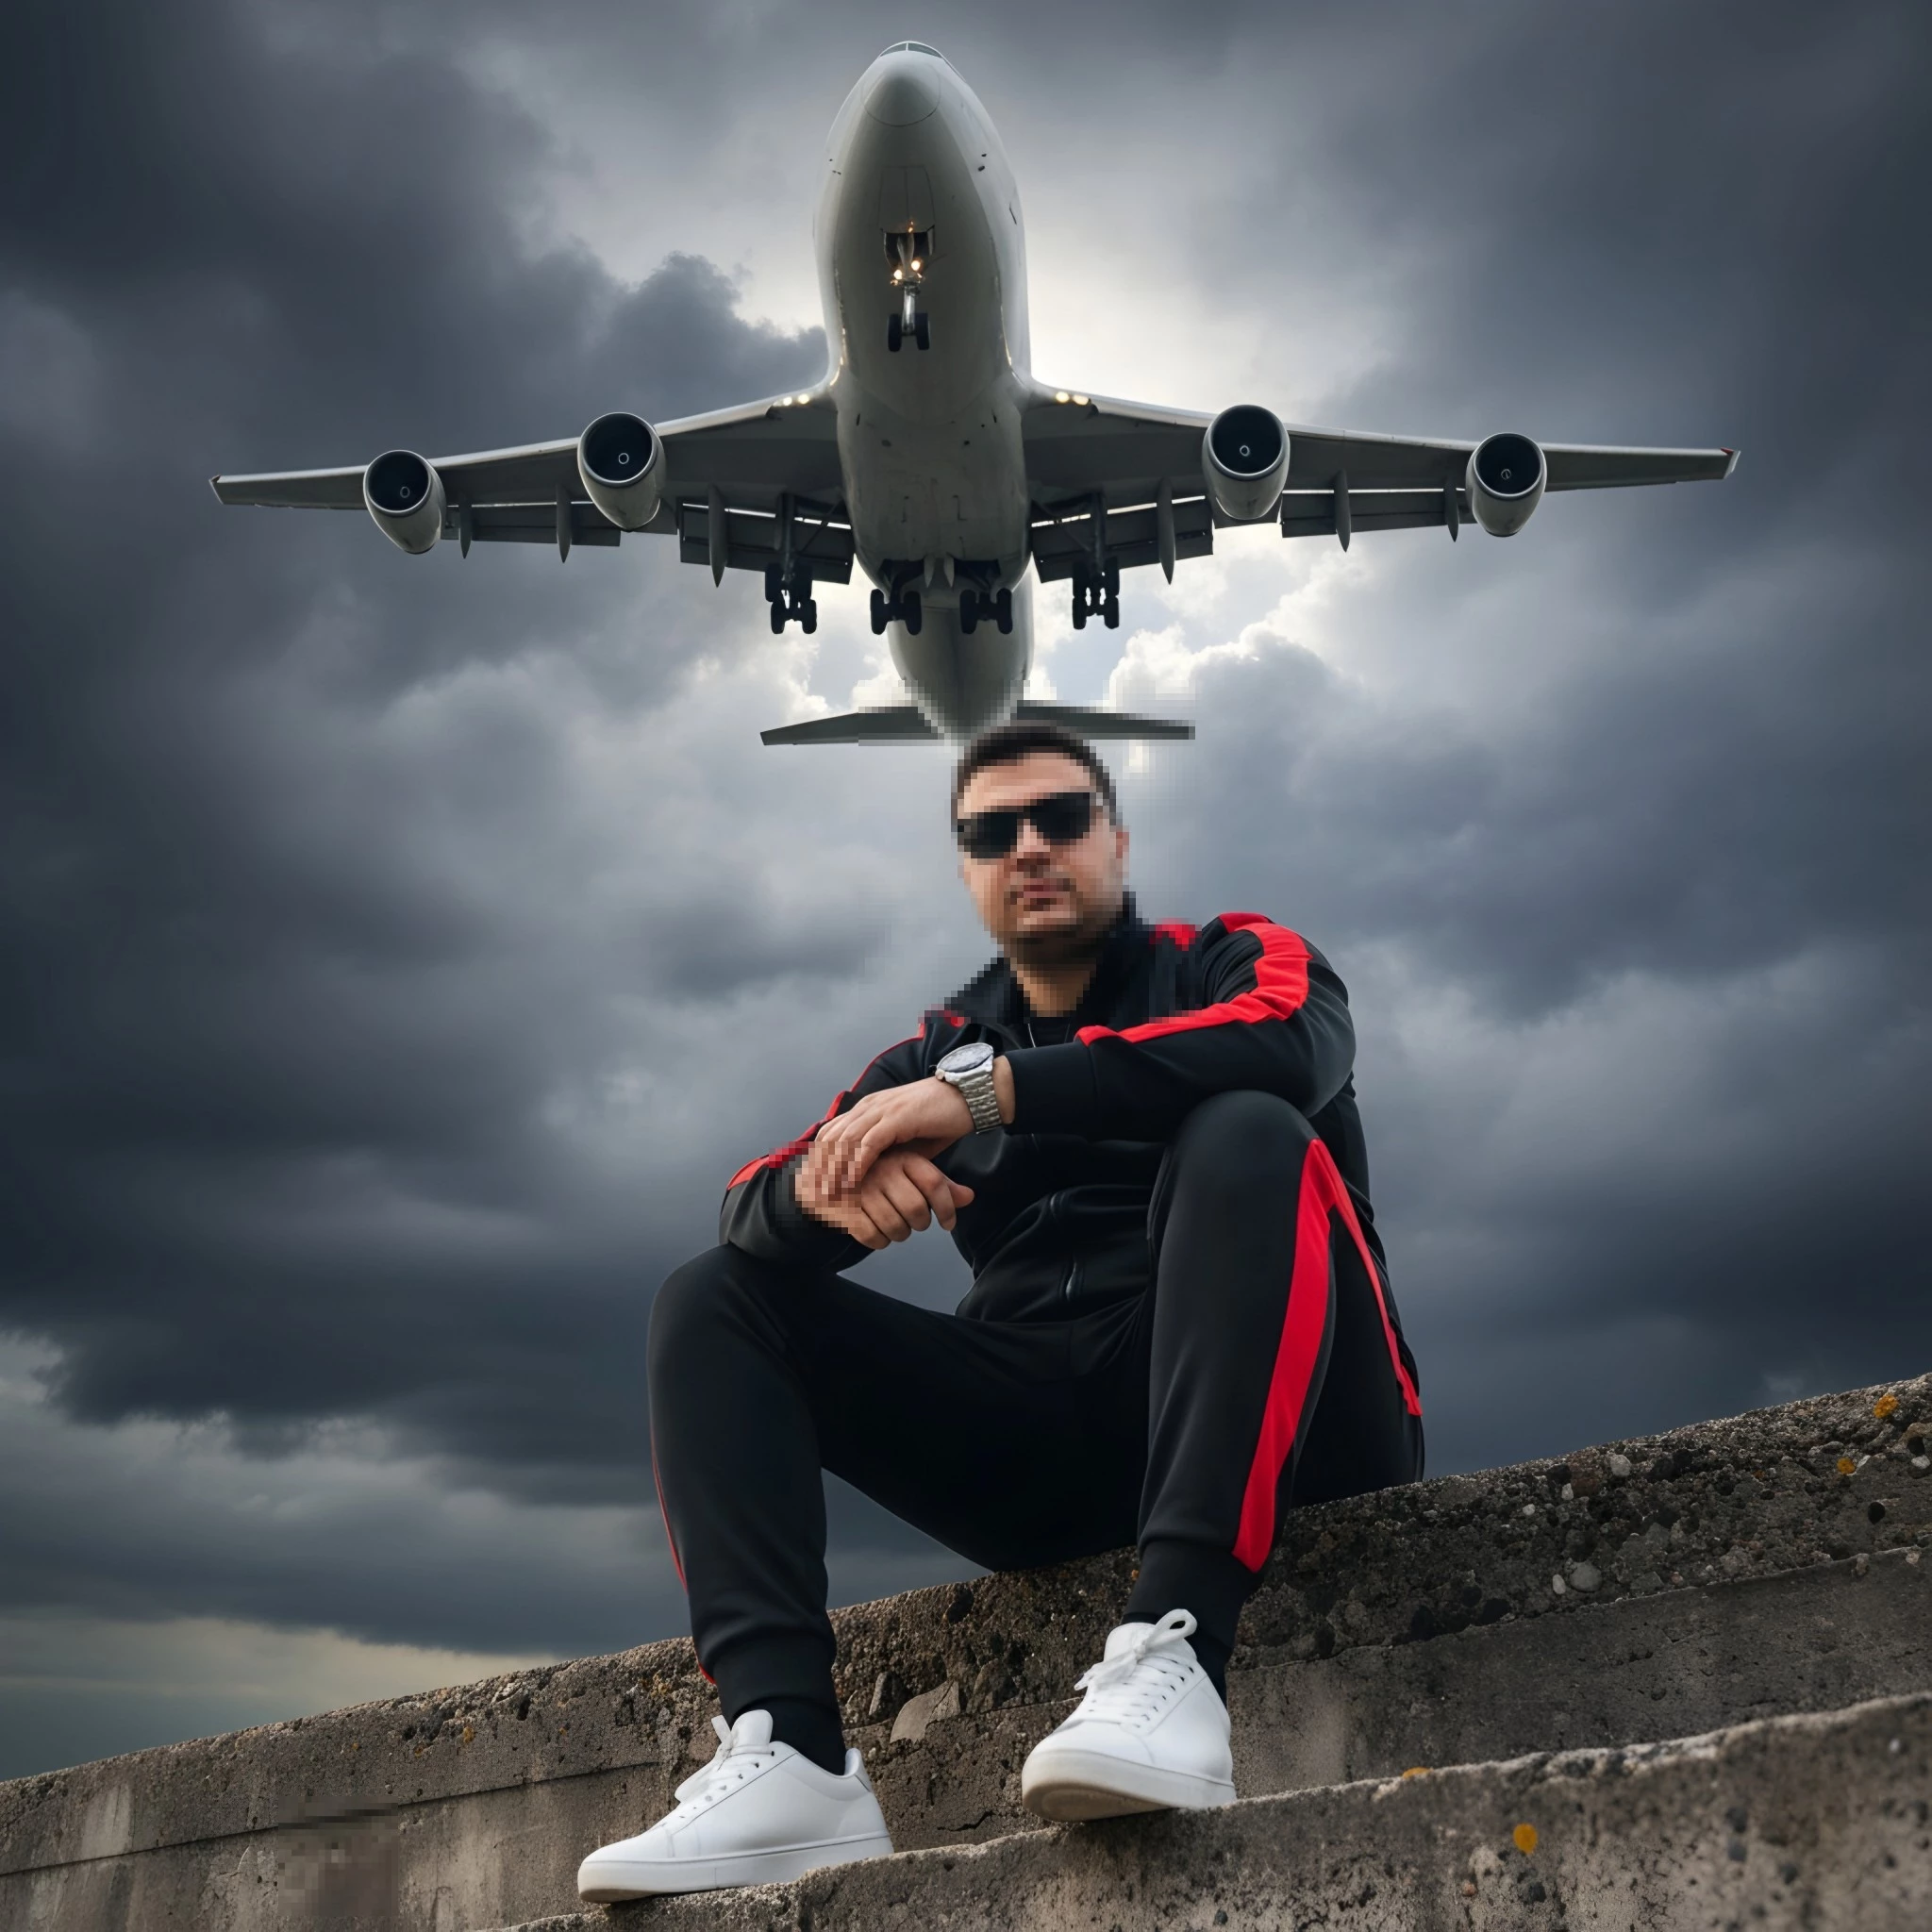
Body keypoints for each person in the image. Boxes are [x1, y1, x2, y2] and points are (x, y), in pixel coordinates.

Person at [577, 721, 1424, 1901]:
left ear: (1117, 841)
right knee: (710, 1297)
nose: (1028, 846)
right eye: (989, 832)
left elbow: (1290, 1048)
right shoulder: (936, 1042)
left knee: (1241, 1123)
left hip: (1295, 1416)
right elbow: (747, 1199)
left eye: (1060, 818)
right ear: (964, 869)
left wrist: (989, 1094)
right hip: (1050, 1434)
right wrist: (835, 1192)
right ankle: (792, 1755)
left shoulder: (1233, 955)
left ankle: (1176, 1648)